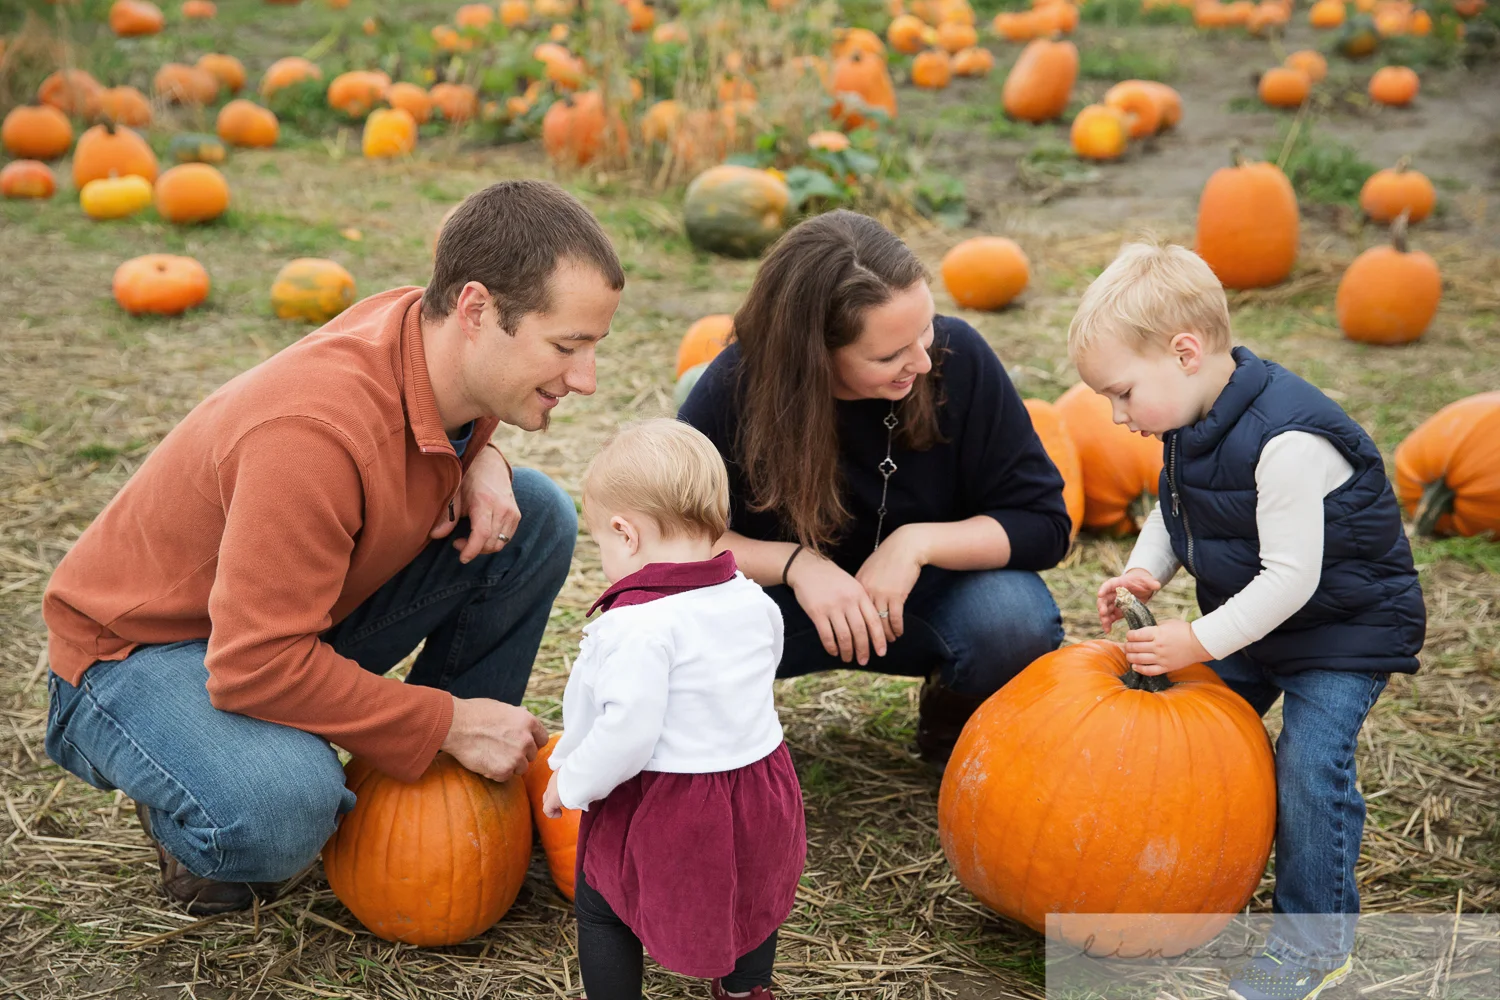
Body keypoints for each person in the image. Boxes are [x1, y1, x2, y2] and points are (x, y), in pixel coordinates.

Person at [40, 180, 625, 915]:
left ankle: (455, 797)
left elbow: (424, 417)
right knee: (286, 807)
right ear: (475, 310)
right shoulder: (309, 436)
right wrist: (445, 720)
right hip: (136, 656)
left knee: (532, 516)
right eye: (566, 347)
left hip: (281, 618)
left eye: (593, 347)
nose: (585, 379)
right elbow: (253, 665)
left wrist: (480, 456)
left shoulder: (429, 336)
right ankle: (201, 802)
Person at [1074, 240, 1425, 1000]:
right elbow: (1174, 512)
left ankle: (1313, 945)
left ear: (1185, 353)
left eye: (1122, 394)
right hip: (1260, 626)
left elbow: (1292, 581)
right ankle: (1170, 884)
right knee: (1177, 737)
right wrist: (1145, 571)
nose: (1116, 415)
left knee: (1308, 766)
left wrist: (1196, 640)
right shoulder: (1189, 418)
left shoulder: (1287, 442)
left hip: (1341, 634)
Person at [677, 210, 1070, 765]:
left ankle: (955, 730)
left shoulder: (958, 359)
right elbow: (674, 540)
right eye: (889, 356)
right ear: (812, 355)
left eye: (925, 329)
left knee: (1014, 620)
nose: (922, 361)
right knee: (680, 631)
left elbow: (1044, 523)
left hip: (923, 601)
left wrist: (915, 545)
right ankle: (724, 752)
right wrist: (797, 565)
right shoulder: (732, 386)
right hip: (778, 607)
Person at [543, 419, 805, 1000]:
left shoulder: (634, 626)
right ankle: (746, 989)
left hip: (672, 803)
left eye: (600, 543)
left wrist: (573, 781)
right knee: (752, 893)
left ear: (625, 533)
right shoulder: (752, 598)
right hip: (761, 791)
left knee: (603, 905)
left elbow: (626, 733)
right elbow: (764, 668)